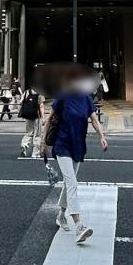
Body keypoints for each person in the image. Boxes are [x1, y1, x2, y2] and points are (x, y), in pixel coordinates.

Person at [42, 65, 108, 244]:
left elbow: (94, 119)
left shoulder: (86, 99)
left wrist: (102, 136)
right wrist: (42, 142)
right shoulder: (63, 96)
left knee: (69, 183)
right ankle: (79, 225)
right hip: (62, 144)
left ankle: (61, 214)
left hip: (78, 146)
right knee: (72, 183)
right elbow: (49, 118)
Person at [19, 83, 43, 157]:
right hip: (36, 116)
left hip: (28, 115)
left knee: (29, 132)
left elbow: (21, 102)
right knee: (37, 134)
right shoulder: (40, 93)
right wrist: (43, 117)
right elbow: (41, 106)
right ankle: (35, 153)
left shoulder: (26, 92)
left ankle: (24, 144)